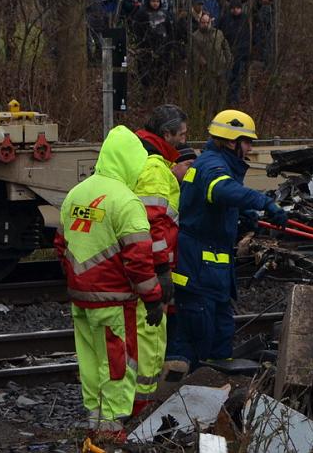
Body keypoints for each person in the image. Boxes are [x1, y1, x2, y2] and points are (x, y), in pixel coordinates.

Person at [54, 125, 163, 442]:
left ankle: (96, 423)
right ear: (128, 161)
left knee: (90, 363)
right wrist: (153, 298)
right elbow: (139, 261)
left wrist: (79, 278)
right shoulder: (127, 202)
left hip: (80, 299)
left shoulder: (77, 193)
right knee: (118, 364)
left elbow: (61, 244)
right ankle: (112, 431)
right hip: (114, 301)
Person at [167, 110, 287, 370]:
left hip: (212, 273)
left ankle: (214, 391)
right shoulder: (213, 166)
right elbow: (221, 189)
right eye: (248, 142)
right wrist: (264, 203)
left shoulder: (216, 163)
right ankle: (190, 396)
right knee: (199, 343)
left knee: (219, 338)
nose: (250, 148)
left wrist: (244, 215)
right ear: (233, 142)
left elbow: (214, 202)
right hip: (200, 271)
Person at [131, 105, 188, 416]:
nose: (182, 141)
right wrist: (163, 269)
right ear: (166, 134)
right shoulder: (155, 168)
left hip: (145, 264)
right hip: (152, 269)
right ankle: (143, 408)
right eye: (180, 135)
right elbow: (154, 224)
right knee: (150, 338)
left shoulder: (146, 159)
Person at [191, 12, 231, 115]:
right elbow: (195, 52)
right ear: (200, 23)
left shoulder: (218, 33)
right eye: (203, 22)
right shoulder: (196, 36)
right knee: (210, 93)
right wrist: (202, 61)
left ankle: (221, 112)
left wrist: (229, 59)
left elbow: (225, 46)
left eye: (207, 22)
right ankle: (209, 114)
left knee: (222, 92)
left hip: (221, 67)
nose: (205, 24)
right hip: (207, 70)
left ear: (210, 22)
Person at [133, 0, 173, 89]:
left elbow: (170, 30)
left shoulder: (165, 13)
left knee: (162, 73)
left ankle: (161, 92)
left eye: (157, 1)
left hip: (162, 48)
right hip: (146, 48)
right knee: (145, 73)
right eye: (153, 1)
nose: (155, 3)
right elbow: (136, 29)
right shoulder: (142, 13)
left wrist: (169, 46)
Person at [218, 0, 249, 104]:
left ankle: (234, 99)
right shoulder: (225, 19)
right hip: (227, 53)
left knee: (236, 78)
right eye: (233, 8)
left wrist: (246, 52)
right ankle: (226, 98)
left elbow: (247, 36)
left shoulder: (244, 19)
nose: (235, 10)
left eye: (237, 8)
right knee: (227, 76)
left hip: (240, 53)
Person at [85, 0, 108, 64]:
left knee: (100, 44)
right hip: (89, 25)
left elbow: (102, 11)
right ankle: (90, 61)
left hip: (98, 25)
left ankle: (97, 60)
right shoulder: (86, 0)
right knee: (89, 44)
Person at [253, 0, 274, 68]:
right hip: (264, 30)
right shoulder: (267, 7)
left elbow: (262, 19)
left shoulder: (266, 8)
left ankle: (266, 64)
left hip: (264, 31)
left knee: (265, 47)